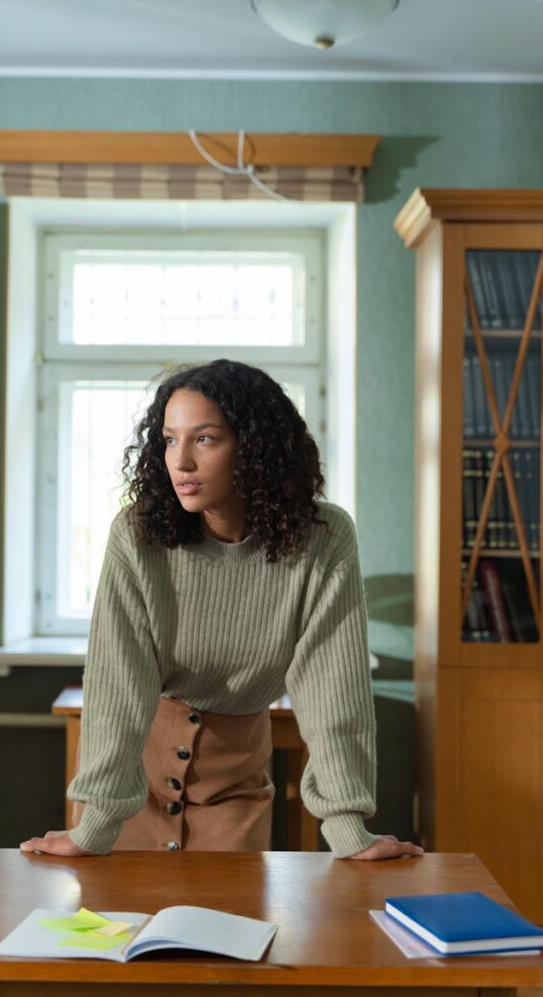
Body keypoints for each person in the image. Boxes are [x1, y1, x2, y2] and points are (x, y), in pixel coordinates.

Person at [21, 360, 422, 861]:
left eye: (205, 439)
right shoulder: (137, 534)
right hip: (131, 789)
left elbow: (333, 690)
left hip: (237, 789)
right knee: (124, 934)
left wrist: (348, 831)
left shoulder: (323, 539)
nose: (180, 461)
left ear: (254, 448)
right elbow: (118, 683)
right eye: (169, 439)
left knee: (229, 933)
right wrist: (95, 824)